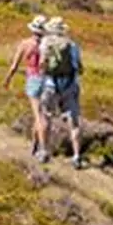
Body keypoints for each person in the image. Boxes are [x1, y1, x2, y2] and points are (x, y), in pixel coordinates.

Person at [38, 16, 84, 168]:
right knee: (74, 121)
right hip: (69, 84)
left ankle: (44, 151)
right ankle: (77, 156)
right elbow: (80, 68)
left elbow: (42, 64)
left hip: (50, 84)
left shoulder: (46, 43)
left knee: (46, 117)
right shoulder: (72, 45)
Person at [3, 14, 48, 158]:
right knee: (41, 114)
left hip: (33, 80)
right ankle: (35, 145)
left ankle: (43, 148)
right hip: (47, 80)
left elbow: (14, 66)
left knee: (38, 116)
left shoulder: (25, 44)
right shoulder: (47, 45)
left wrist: (7, 79)